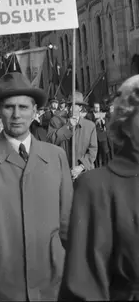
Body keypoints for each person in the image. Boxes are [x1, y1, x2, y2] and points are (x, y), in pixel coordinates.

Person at [0, 72, 73, 302]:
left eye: (23, 107)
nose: (17, 115)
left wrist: (74, 274)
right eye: (9, 107)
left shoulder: (56, 156)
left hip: (52, 283)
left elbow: (68, 222)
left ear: (35, 111)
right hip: (1, 284)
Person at [59, 75, 139, 300]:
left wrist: (82, 164)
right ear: (126, 122)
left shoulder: (89, 126)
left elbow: (93, 150)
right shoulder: (96, 187)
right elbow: (83, 285)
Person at [47, 91, 97, 180]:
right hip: (61, 174)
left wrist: (81, 167)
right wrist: (67, 127)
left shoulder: (90, 126)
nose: (70, 109)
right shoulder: (55, 121)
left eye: (73, 106)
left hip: (84, 175)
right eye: (69, 105)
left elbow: (92, 150)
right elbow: (51, 141)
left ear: (80, 108)